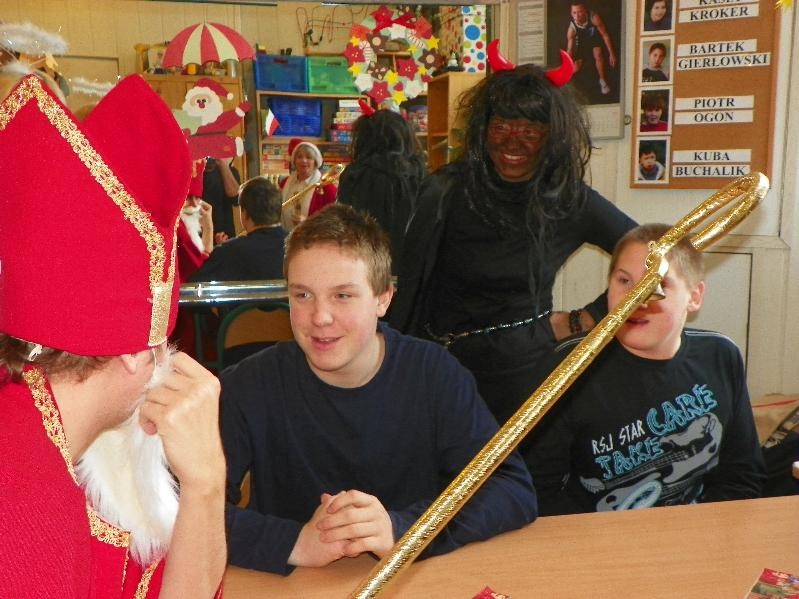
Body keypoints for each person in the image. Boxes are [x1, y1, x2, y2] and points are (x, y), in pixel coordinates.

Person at [0, 73, 226, 597]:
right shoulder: (27, 508)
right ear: (132, 351)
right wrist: (206, 477)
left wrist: (206, 486)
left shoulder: (50, 436)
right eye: (164, 345)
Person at [220, 204, 537, 575]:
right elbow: (176, 505)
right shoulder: (249, 384)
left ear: (383, 298)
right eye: (302, 295)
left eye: (343, 296)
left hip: (408, 580)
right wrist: (293, 542)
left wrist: (405, 529)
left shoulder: (434, 374)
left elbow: (509, 487)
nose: (320, 317)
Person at [390, 50, 636, 425]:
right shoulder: (446, 189)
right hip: (437, 371)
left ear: (552, 136)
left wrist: (587, 318)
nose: (512, 143)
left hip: (521, 378)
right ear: (483, 128)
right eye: (501, 127)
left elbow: (655, 255)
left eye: (530, 132)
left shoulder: (568, 201)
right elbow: (409, 287)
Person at [522, 223, 766, 514]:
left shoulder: (721, 355)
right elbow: (536, 494)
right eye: (624, 281)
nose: (638, 299)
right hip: (592, 535)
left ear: (694, 296)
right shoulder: (569, 366)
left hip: (697, 529)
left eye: (658, 284)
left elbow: (742, 477)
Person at [337, 107, 428, 273]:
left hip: (363, 266)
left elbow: (345, 226)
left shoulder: (355, 175)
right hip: (412, 269)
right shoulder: (418, 173)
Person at [190, 176, 286, 283]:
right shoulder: (296, 245)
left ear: (244, 213)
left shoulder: (229, 253)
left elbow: (195, 281)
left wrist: (208, 229)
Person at [279, 138, 337, 232]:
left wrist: (309, 223)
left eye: (309, 157)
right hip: (285, 237)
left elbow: (334, 222)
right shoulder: (284, 183)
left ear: (315, 162)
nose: (304, 161)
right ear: (294, 161)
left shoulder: (327, 188)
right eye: (299, 157)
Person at [566, 2, 617, 97]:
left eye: (580, 12)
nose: (577, 16)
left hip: (594, 38)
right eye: (574, 13)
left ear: (585, 11)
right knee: (575, 68)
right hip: (582, 42)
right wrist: (567, 65)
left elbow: (605, 35)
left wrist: (612, 54)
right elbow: (569, 49)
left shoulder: (594, 18)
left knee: (598, 54)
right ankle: (565, 86)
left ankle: (602, 80)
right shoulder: (571, 29)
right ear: (571, 13)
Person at [203, 157, 241, 243]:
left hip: (224, 232)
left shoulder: (231, 171)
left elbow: (236, 199)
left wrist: (223, 165)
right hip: (198, 229)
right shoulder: (194, 170)